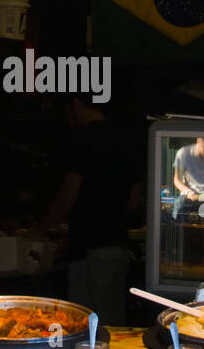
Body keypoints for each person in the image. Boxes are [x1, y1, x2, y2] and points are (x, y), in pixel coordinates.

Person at [28, 95, 141, 323]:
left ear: (76, 105)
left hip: (89, 251)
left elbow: (66, 197)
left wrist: (37, 232)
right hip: (118, 248)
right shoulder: (126, 139)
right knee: (112, 322)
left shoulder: (83, 140)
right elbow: (133, 202)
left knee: (85, 325)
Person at [172, 135, 204, 220]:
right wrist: (188, 192)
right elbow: (177, 180)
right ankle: (175, 224)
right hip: (189, 195)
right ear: (198, 142)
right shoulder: (184, 153)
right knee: (179, 206)